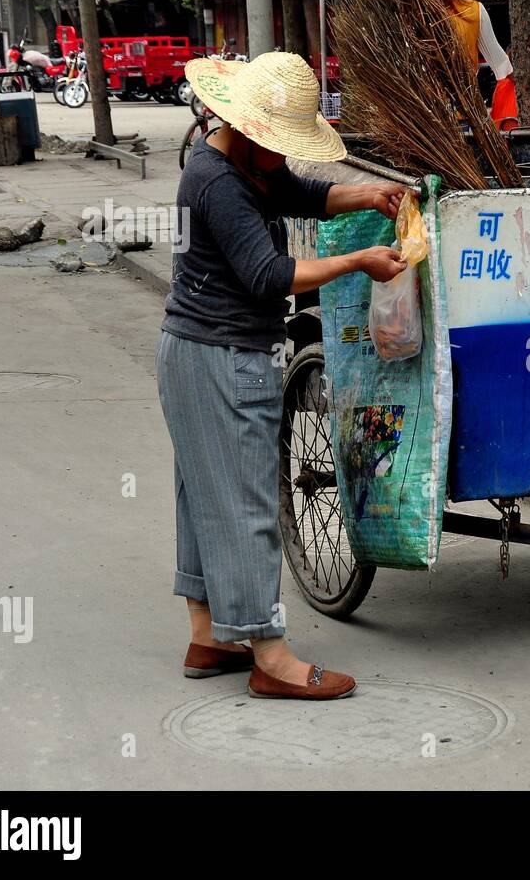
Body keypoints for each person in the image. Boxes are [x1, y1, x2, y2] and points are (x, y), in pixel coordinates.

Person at [160, 51, 408, 700]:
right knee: (246, 502)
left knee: (203, 492)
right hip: (223, 354)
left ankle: (209, 635)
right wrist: (358, 260)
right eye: (277, 143)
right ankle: (269, 653)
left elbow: (301, 192)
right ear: (245, 131)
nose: (282, 155)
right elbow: (269, 275)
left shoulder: (242, 166)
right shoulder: (217, 181)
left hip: (192, 350)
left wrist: (368, 192)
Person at [433, 0, 512, 84]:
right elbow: (498, 59)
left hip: (429, 92)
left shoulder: (428, 11)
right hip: (466, 91)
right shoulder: (475, 9)